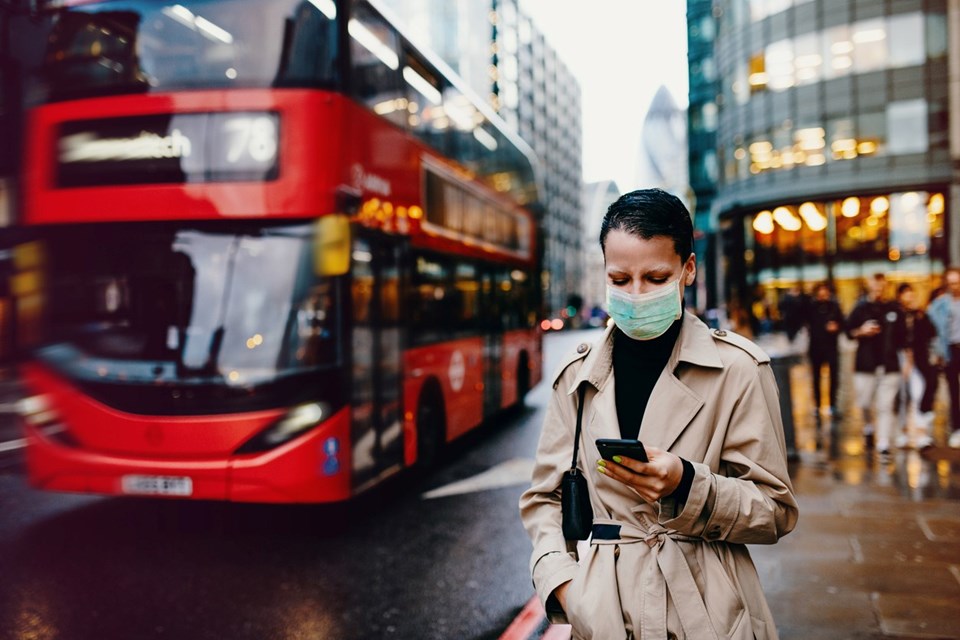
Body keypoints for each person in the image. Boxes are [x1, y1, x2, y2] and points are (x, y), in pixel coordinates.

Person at [519, 189, 798, 639]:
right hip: (602, 613)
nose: (635, 294)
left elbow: (775, 510)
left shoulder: (740, 368)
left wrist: (686, 484)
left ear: (687, 269)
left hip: (709, 611)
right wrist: (566, 588)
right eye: (619, 278)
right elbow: (544, 500)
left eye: (654, 276)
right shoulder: (577, 374)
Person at [844, 273, 907, 456]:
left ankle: (883, 442)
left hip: (889, 365)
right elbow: (848, 332)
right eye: (875, 286)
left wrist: (907, 362)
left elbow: (903, 338)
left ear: (885, 287)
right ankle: (869, 427)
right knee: (864, 402)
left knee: (885, 405)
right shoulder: (860, 308)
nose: (878, 290)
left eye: (881, 287)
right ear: (870, 286)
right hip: (865, 364)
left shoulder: (894, 309)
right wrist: (861, 331)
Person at [895, 283, 936, 449]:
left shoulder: (920, 314)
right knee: (902, 396)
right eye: (906, 294)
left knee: (919, 394)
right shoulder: (896, 315)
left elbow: (930, 334)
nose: (909, 297)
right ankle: (903, 432)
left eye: (911, 294)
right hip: (899, 359)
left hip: (919, 360)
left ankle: (922, 434)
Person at [927, 267, 960, 448]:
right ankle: (956, 429)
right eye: (951, 283)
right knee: (954, 391)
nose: (954, 286)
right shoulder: (943, 303)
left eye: (957, 282)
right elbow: (930, 314)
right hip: (951, 350)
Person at [805, 282, 843, 419]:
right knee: (816, 377)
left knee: (834, 377)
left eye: (825, 291)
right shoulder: (811, 306)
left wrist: (836, 327)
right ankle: (817, 405)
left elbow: (843, 323)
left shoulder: (834, 306)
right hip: (816, 347)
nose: (823, 294)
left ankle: (832, 404)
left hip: (831, 347)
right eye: (820, 291)